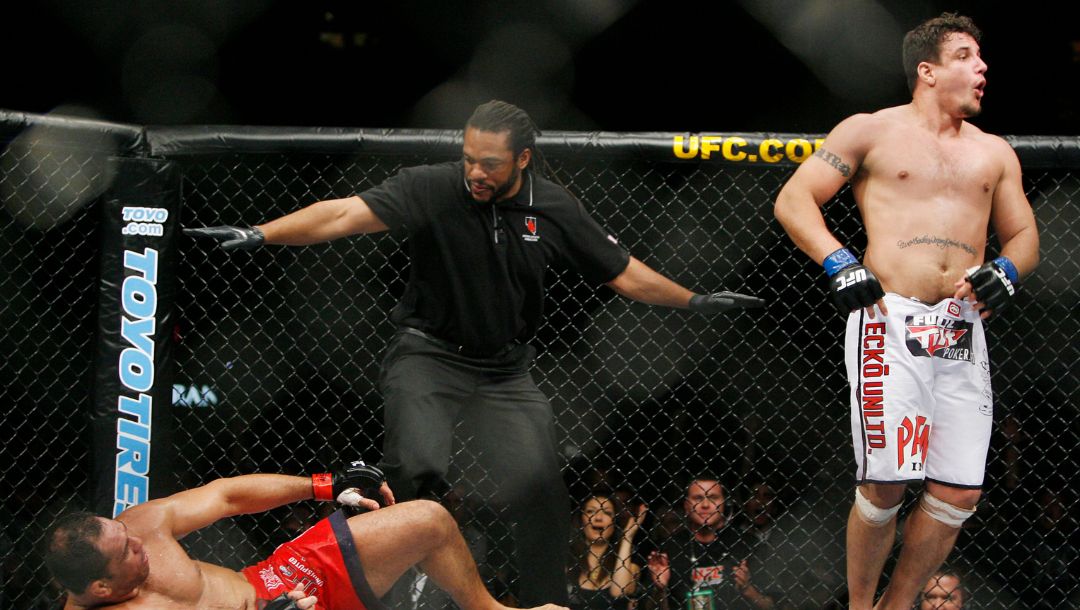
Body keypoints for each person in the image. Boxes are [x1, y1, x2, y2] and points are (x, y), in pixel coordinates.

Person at [185, 99, 764, 605]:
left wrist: (694, 301)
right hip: (427, 353)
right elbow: (342, 213)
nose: (475, 172)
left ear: (523, 159)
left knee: (542, 489)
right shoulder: (432, 186)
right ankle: (394, 593)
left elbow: (624, 274)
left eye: (489, 162)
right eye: (468, 157)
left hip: (505, 370)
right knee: (413, 466)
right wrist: (261, 233)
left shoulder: (553, 206)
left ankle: (543, 605)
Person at [773, 13, 1039, 610]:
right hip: (888, 319)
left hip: (961, 328)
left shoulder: (994, 154)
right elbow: (795, 199)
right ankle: (861, 606)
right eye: (967, 56)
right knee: (886, 482)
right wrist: (839, 262)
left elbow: (1024, 235)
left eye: (981, 57)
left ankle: (898, 605)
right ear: (928, 70)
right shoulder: (870, 131)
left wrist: (1007, 272)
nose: (982, 68)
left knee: (958, 494)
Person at [44, 461, 568, 610]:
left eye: (127, 534)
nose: (138, 542)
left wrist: (324, 486)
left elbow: (227, 495)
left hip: (274, 583)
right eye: (127, 552)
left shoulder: (139, 524)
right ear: (101, 590)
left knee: (428, 519)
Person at [643, 476, 774, 610]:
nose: (705, 505)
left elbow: (777, 605)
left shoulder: (748, 545)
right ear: (687, 505)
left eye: (713, 497)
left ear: (724, 504)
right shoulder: (669, 549)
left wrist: (749, 590)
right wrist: (660, 589)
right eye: (698, 498)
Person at [567, 494, 647, 610]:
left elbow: (620, 592)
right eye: (590, 511)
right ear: (581, 519)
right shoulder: (566, 559)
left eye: (607, 513)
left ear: (615, 521)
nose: (598, 517)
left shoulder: (631, 561)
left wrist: (627, 538)